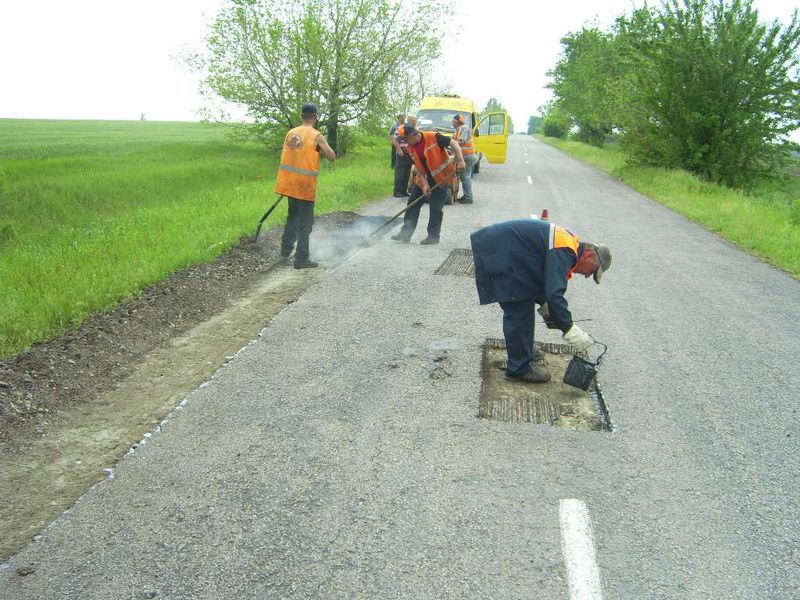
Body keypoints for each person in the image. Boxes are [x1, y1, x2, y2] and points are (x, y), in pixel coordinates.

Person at [470, 218, 612, 383]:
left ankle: (524, 350)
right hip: (501, 251)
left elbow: (542, 279)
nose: (588, 275)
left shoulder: (568, 245)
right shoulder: (565, 249)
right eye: (592, 270)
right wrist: (569, 328)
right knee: (519, 308)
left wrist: (546, 306)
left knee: (524, 299)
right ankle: (519, 369)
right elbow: (554, 293)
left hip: (508, 252)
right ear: (589, 254)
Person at [274, 102, 336, 269]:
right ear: (315, 117)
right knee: (305, 223)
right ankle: (301, 259)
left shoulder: (291, 133)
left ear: (302, 116)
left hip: (289, 183)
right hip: (304, 186)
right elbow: (332, 156)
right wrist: (321, 150)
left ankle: (285, 249)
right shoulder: (316, 135)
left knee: (292, 217)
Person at [390, 124, 465, 245]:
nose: (404, 142)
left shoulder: (434, 137)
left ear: (413, 135)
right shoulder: (410, 147)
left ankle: (433, 237)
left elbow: (454, 144)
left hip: (441, 178)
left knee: (435, 208)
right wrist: (424, 185)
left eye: (405, 139)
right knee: (412, 204)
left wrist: (460, 160)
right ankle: (405, 234)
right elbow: (418, 168)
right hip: (424, 179)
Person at [451, 114, 477, 204]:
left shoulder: (465, 129)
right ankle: (467, 195)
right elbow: (452, 140)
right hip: (465, 156)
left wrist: (451, 144)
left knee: (465, 177)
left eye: (453, 121)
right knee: (465, 177)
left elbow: (461, 141)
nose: (452, 123)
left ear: (456, 122)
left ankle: (468, 197)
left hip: (467, 156)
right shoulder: (458, 130)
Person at [391, 116, 413, 198]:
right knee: (400, 172)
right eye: (413, 121)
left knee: (407, 172)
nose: (414, 122)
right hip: (401, 153)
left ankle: (404, 191)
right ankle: (397, 191)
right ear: (409, 121)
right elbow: (394, 140)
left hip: (409, 154)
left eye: (415, 121)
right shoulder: (401, 129)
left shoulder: (413, 129)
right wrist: (399, 149)